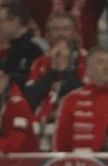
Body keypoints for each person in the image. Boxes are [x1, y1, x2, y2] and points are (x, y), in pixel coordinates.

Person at [24, 11, 86, 151]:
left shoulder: (86, 59)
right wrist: (52, 71)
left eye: (65, 29)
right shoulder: (39, 63)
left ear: (74, 32)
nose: (61, 34)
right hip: (41, 129)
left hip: (75, 126)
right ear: (48, 34)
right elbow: (30, 98)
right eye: (55, 29)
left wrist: (65, 71)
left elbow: (85, 95)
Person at [53, 47, 108, 152]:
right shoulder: (72, 100)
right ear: (88, 69)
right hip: (81, 161)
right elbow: (61, 142)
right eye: (100, 62)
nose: (107, 67)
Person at [0, 59, 38, 153]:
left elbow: (13, 146)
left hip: (24, 159)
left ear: (7, 78)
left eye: (0, 77)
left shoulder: (18, 105)